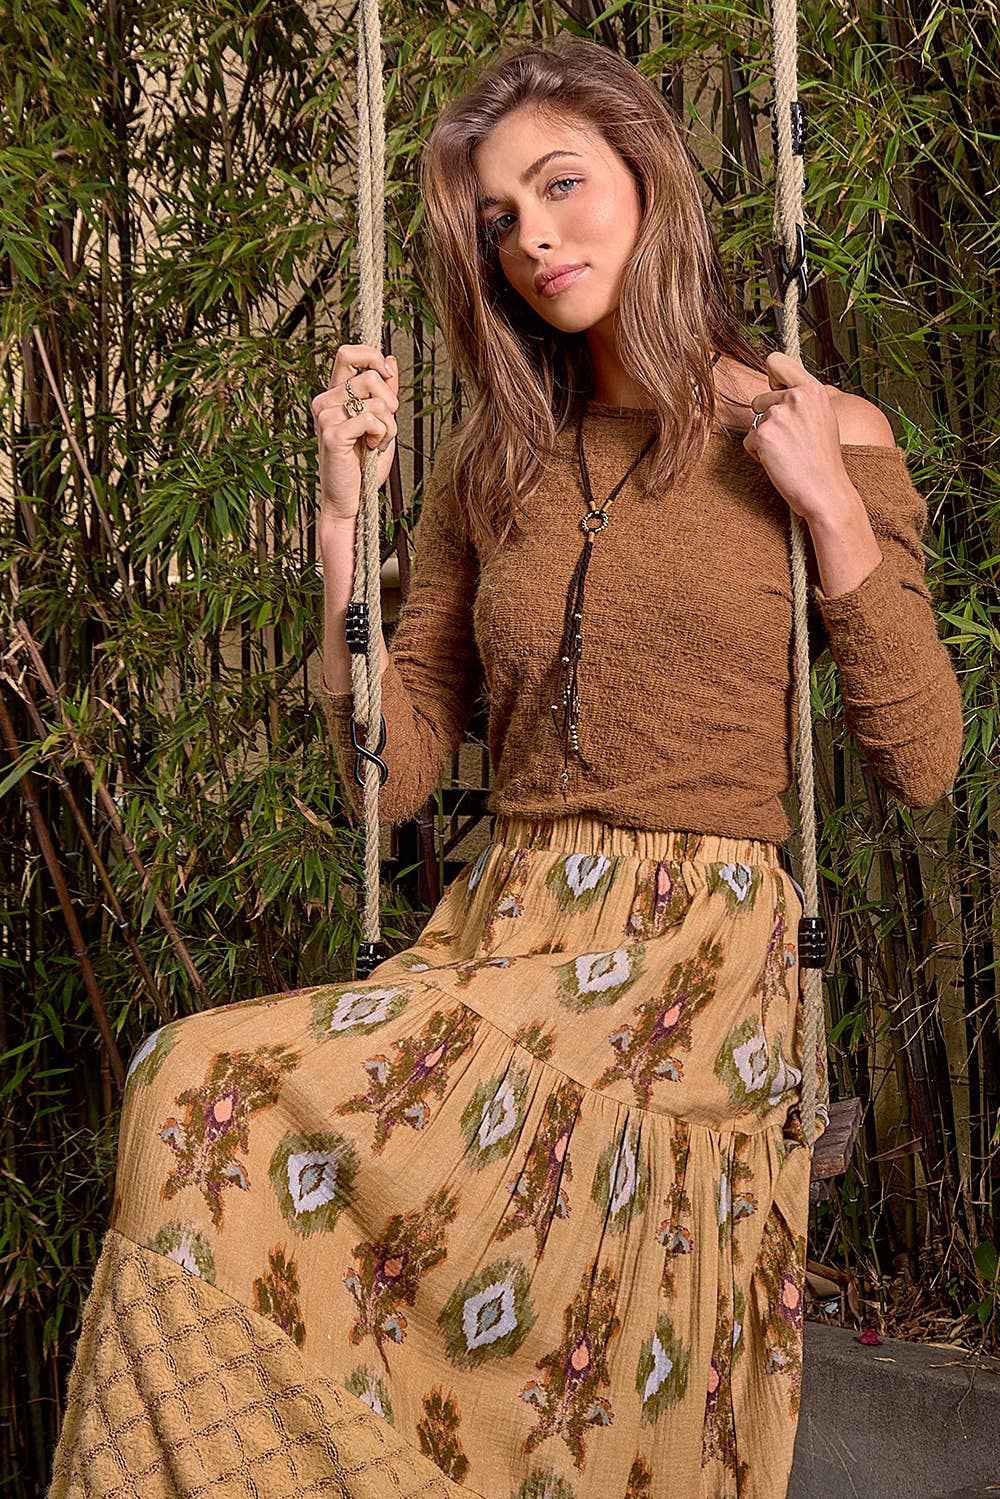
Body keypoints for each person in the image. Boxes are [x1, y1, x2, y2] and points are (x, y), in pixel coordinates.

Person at [49, 37, 962, 1499]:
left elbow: (921, 759)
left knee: (192, 1071)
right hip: (503, 932)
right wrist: (341, 530)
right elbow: (389, 774)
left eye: (561, 186)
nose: (533, 237)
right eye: (498, 217)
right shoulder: (494, 464)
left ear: (649, 179)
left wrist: (833, 515)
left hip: (692, 956)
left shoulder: (817, 429)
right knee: (185, 1083)